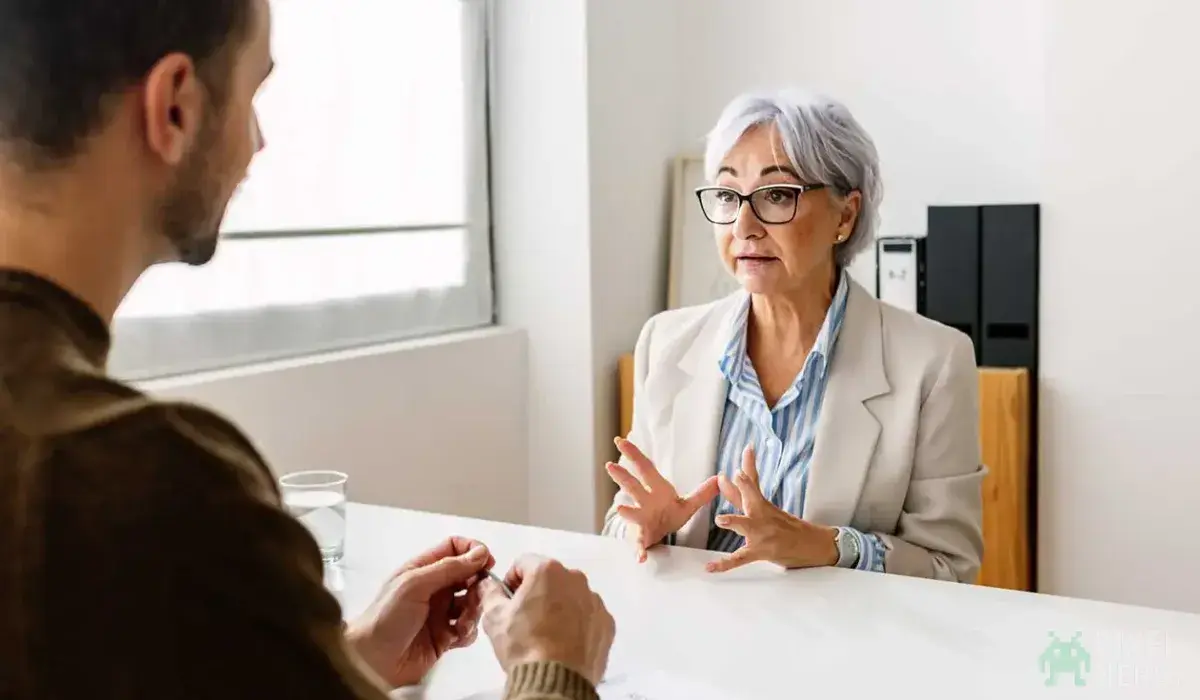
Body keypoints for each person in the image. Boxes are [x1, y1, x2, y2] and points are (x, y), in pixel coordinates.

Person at [0, 1, 613, 699]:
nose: (258, 142)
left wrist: (335, 662)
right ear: (174, 106)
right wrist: (554, 665)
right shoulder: (148, 480)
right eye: (252, 94)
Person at [601, 89, 985, 583]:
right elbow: (621, 523)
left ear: (844, 216)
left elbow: (950, 565)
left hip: (843, 631)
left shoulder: (933, 362)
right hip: (694, 626)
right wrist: (646, 530)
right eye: (727, 195)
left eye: (777, 195)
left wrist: (828, 546)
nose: (743, 225)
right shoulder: (666, 341)